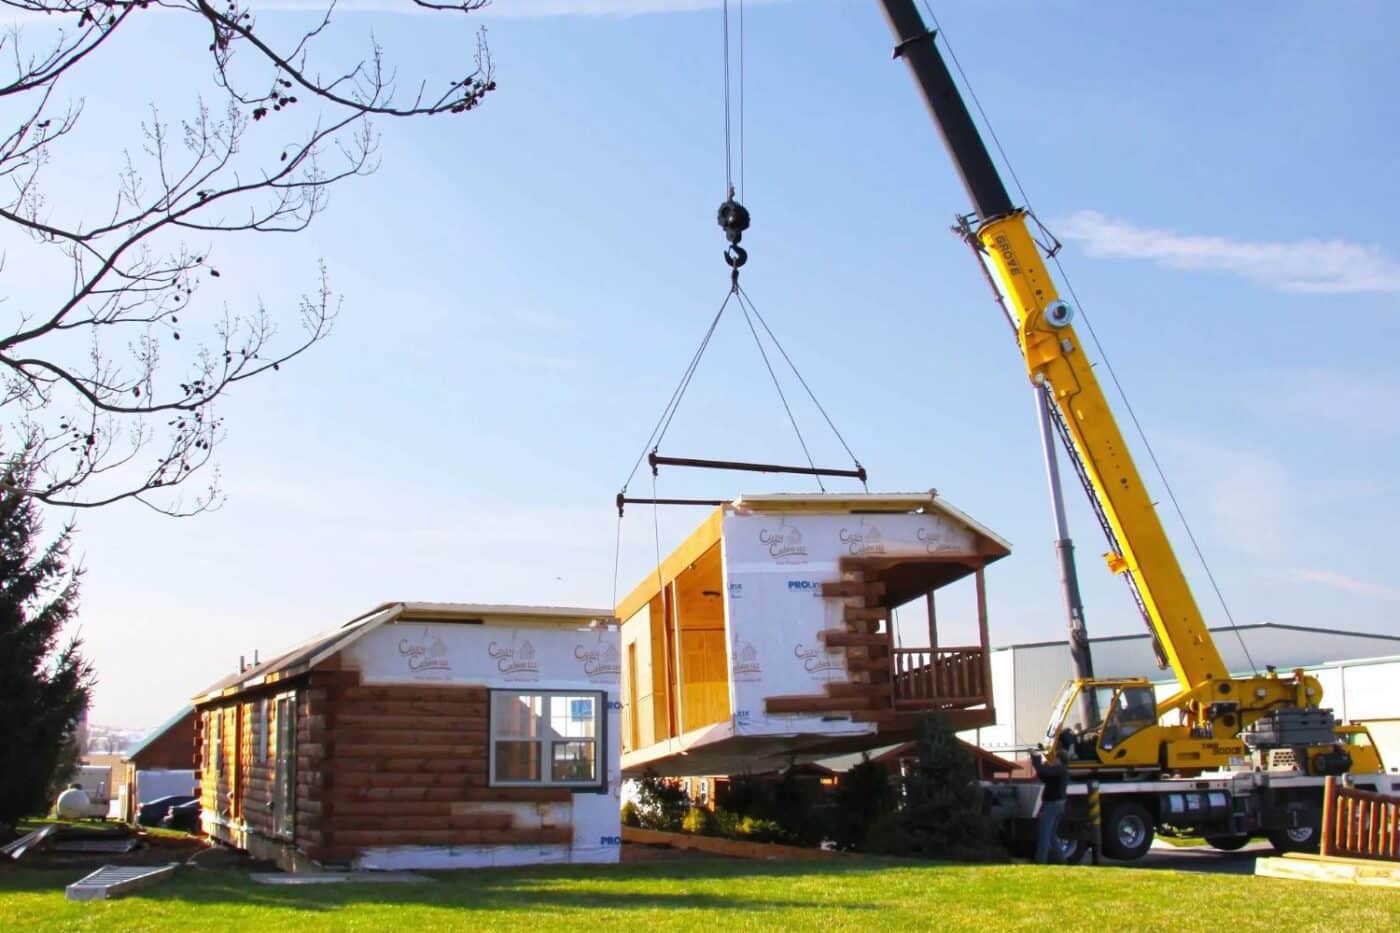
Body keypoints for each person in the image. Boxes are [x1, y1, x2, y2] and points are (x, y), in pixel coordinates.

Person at [1030, 737, 1071, 864]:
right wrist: (1039, 760)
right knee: (1052, 835)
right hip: (1059, 805)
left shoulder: (1060, 770)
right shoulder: (1062, 771)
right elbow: (1044, 775)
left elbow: (1043, 771)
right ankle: (1062, 860)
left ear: (1059, 759)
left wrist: (1035, 757)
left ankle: (1040, 861)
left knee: (1045, 834)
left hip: (1052, 805)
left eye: (1056, 758)